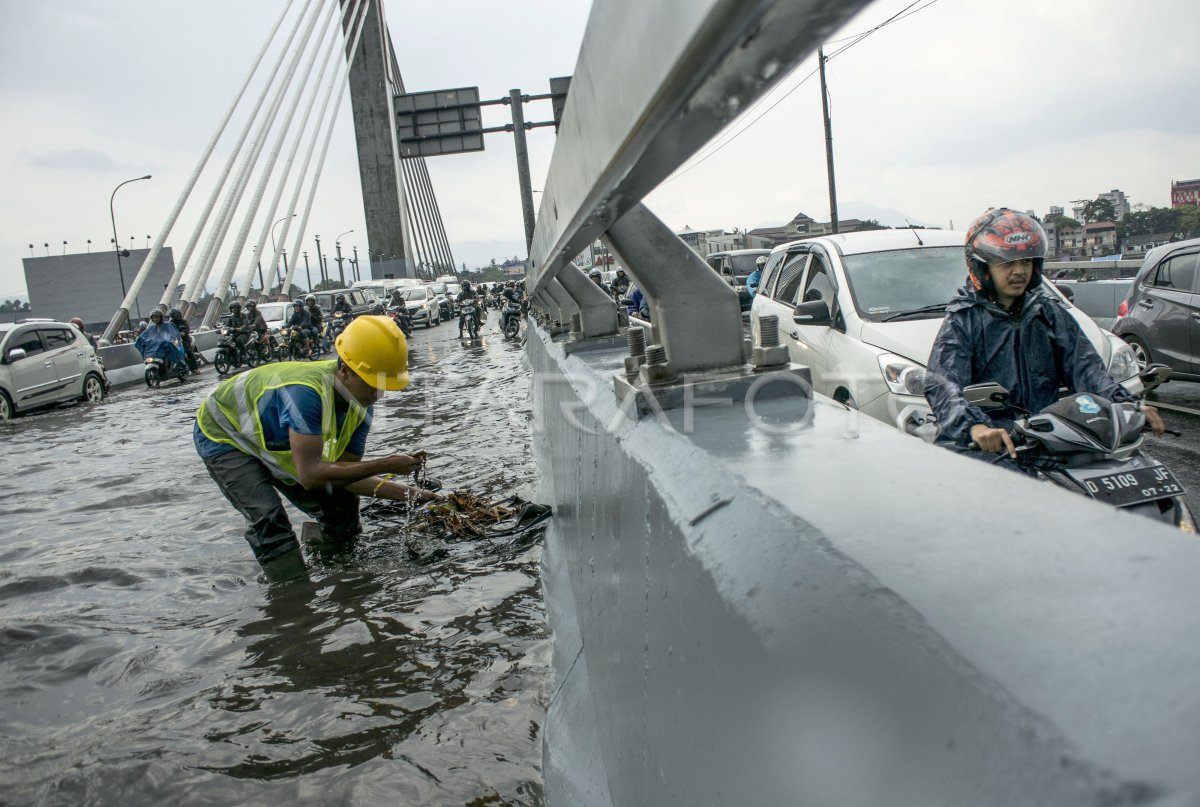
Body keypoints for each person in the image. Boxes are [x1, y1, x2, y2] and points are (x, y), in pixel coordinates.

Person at [194, 315, 441, 581]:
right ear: (344, 370)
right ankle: (294, 596)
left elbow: (348, 478)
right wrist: (387, 464)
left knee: (341, 504)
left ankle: (332, 568)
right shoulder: (307, 394)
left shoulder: (361, 410)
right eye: (371, 383)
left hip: (274, 442)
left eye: (383, 386)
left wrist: (415, 494)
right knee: (268, 516)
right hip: (225, 436)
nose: (376, 395)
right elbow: (311, 477)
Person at [924, 208, 1164, 465]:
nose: (1019, 271)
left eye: (1025, 261)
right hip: (990, 444)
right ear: (983, 267)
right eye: (1007, 263)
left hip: (1047, 435)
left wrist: (1125, 406)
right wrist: (973, 427)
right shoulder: (964, 318)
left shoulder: (1047, 312)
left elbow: (1086, 369)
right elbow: (943, 383)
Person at [135, 309, 187, 380]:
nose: (155, 319)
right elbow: (145, 335)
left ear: (161, 317)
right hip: (159, 347)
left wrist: (170, 339)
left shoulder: (168, 325)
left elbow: (173, 334)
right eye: (153, 318)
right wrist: (139, 339)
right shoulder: (152, 328)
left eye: (157, 317)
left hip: (169, 345)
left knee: (175, 352)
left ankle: (179, 366)